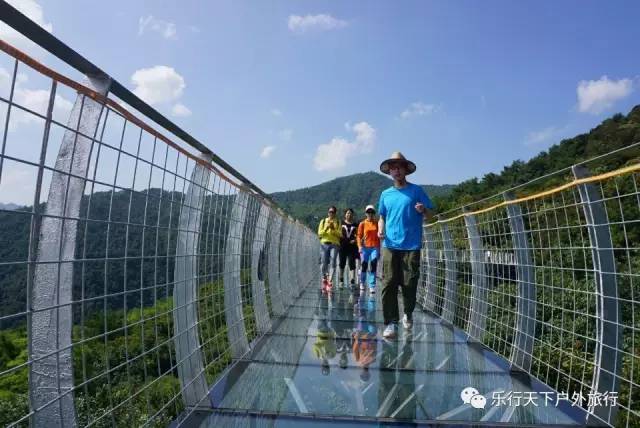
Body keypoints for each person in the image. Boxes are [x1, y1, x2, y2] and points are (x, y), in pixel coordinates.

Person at [377, 152, 434, 339]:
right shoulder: (385, 194)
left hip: (411, 245)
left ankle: (408, 313)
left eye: (399, 166)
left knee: (410, 284)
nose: (396, 170)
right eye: (393, 167)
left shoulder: (417, 191)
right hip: (390, 244)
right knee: (388, 283)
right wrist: (380, 229)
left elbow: (431, 216)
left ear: (405, 170)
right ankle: (390, 323)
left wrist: (423, 210)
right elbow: (382, 217)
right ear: (390, 172)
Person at [356, 205, 380, 293]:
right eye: (368, 212)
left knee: (373, 264)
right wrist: (359, 246)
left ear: (374, 213)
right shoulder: (362, 223)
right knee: (364, 265)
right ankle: (362, 282)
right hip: (365, 248)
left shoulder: (377, 223)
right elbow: (358, 236)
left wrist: (379, 249)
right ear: (366, 213)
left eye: (372, 212)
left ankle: (372, 285)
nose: (370, 214)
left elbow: (379, 237)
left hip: (374, 247)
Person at [317, 205, 341, 291]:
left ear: (335, 213)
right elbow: (319, 234)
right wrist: (327, 228)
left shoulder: (338, 222)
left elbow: (340, 234)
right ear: (328, 213)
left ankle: (330, 281)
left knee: (333, 261)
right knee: (324, 262)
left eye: (333, 212)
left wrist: (333, 229)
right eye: (330, 212)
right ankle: (324, 278)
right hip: (324, 243)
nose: (331, 213)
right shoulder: (323, 221)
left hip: (334, 244)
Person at [338, 208, 359, 288]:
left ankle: (352, 280)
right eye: (347, 213)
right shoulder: (341, 223)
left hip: (352, 247)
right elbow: (339, 233)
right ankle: (341, 279)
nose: (349, 215)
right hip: (343, 246)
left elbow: (358, 234)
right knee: (342, 263)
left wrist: (355, 240)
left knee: (352, 263)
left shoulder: (355, 224)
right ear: (345, 215)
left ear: (353, 215)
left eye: (350, 213)